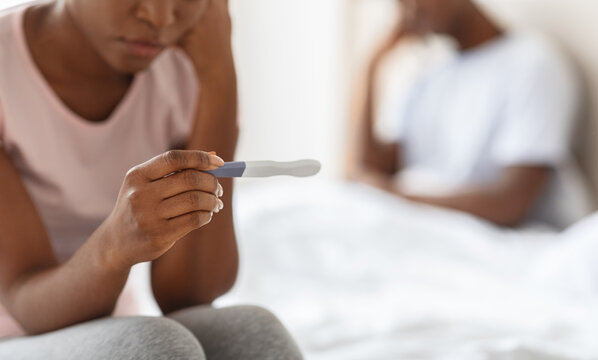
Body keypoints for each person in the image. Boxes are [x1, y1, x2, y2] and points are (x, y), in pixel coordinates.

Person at [0, 0, 302, 358]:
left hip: (103, 322)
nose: (159, 19)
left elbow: (188, 295)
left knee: (253, 332)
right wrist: (114, 247)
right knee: (156, 348)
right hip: (15, 328)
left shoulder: (181, 67)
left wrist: (219, 75)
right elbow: (22, 298)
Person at [350, 0, 593, 228]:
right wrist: (371, 66)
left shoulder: (532, 63)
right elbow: (367, 171)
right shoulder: (429, 78)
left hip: (495, 241)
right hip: (419, 228)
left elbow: (511, 202)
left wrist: (395, 199)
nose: (409, 9)